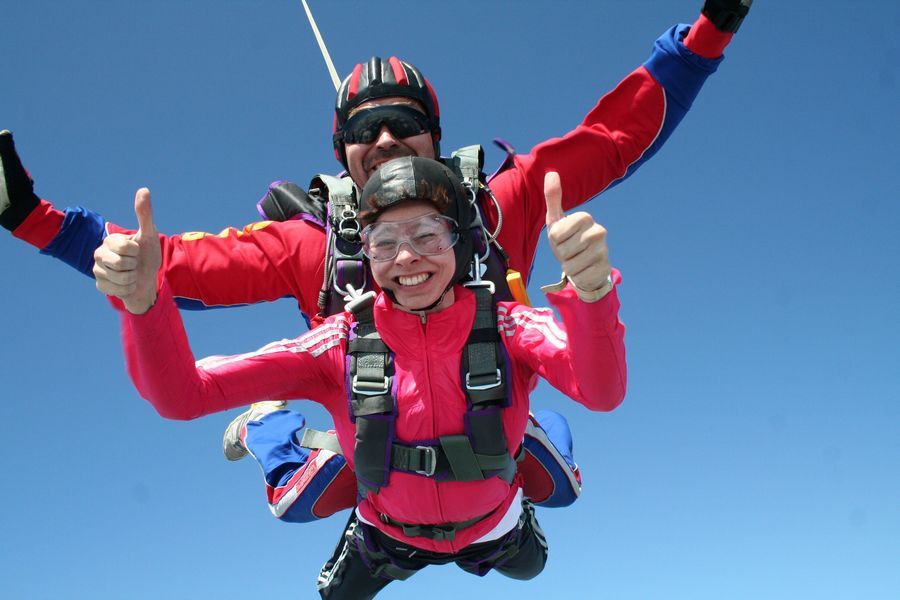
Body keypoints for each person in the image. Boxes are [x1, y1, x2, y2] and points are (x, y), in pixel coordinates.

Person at [1, 1, 750, 516]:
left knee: (557, 489)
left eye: (401, 122)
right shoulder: (311, 245)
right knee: (302, 500)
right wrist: (34, 220)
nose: (385, 140)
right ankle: (269, 427)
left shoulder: (502, 203)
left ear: (435, 138)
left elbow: (614, 139)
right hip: (374, 425)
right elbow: (164, 266)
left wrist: (709, 32)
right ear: (342, 154)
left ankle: (535, 429)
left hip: (495, 403)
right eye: (364, 131)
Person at [100, 156, 626, 598]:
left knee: (554, 513)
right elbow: (184, 397)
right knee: (296, 514)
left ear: (460, 240)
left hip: (495, 526)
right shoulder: (339, 343)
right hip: (386, 534)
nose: (407, 257)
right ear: (365, 252)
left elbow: (601, 392)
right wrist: (144, 305)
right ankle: (265, 425)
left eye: (428, 234)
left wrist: (591, 292)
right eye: (384, 240)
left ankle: (533, 424)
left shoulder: (508, 326)